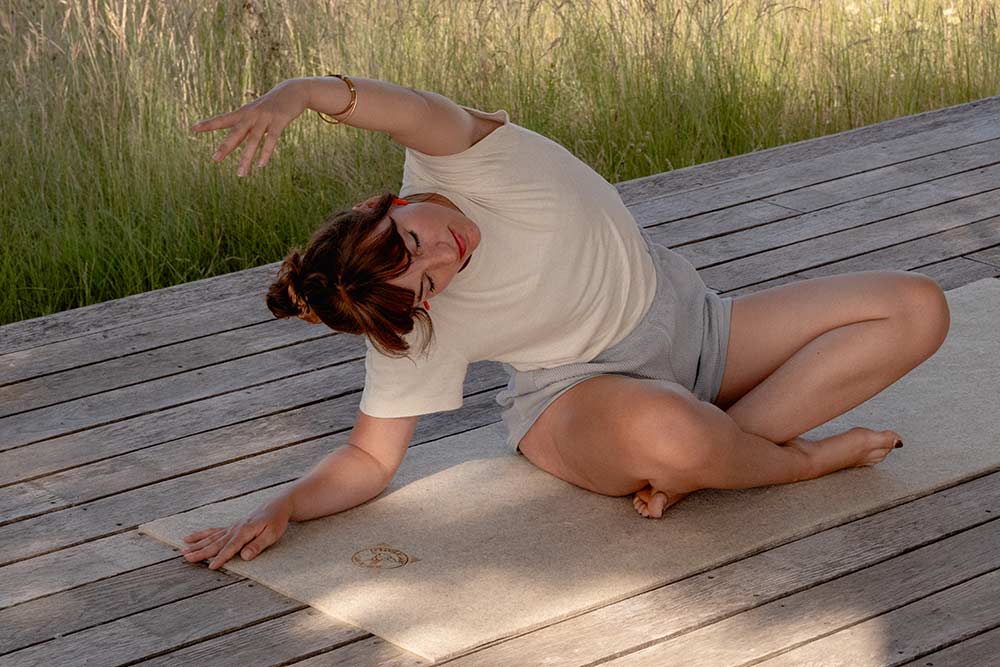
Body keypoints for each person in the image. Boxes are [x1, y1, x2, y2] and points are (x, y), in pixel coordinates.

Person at [180, 75, 951, 571]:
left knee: (919, 308)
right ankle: (793, 462)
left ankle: (711, 459)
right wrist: (282, 504)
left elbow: (397, 109)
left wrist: (303, 93)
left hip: (699, 329)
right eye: (427, 283)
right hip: (582, 400)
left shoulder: (459, 155)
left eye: (414, 242)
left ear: (384, 204)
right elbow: (369, 458)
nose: (444, 256)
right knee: (674, 432)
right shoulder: (412, 322)